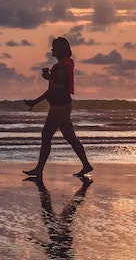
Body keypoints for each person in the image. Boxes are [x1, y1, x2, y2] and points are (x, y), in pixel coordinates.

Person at [23, 37, 93, 177]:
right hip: (63, 105)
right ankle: (86, 165)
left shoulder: (61, 67)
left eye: (54, 48)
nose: (52, 50)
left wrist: (49, 78)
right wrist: (35, 101)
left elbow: (60, 87)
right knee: (70, 137)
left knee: (46, 135)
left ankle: (39, 170)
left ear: (60, 50)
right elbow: (53, 89)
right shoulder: (64, 65)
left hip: (60, 107)